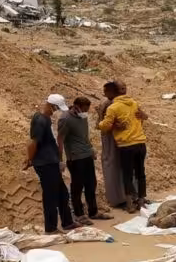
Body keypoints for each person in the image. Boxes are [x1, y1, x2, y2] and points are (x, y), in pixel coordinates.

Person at [25, 94, 77, 234]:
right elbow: (33, 143)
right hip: (45, 163)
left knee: (62, 193)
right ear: (51, 105)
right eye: (55, 108)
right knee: (50, 196)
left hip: (51, 161)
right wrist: (29, 159)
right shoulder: (40, 120)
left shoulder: (45, 119)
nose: (56, 111)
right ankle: (51, 228)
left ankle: (67, 222)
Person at [58, 96, 112, 226]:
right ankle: (79, 214)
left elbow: (85, 135)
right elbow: (60, 140)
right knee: (77, 187)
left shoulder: (83, 117)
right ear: (76, 106)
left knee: (91, 184)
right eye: (84, 109)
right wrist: (60, 159)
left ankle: (93, 212)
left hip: (87, 155)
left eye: (87, 110)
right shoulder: (65, 119)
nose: (85, 112)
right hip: (75, 158)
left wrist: (91, 148)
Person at [99, 82, 148, 213]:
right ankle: (141, 200)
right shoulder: (133, 103)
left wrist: (102, 124)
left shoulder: (112, 107)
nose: (124, 90)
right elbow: (142, 118)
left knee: (127, 175)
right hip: (139, 142)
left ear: (111, 92)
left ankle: (130, 203)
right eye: (122, 88)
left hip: (125, 144)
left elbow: (104, 126)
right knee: (140, 173)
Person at [97, 82, 127, 210]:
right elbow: (99, 124)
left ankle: (126, 196)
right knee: (112, 167)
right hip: (110, 140)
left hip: (123, 140)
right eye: (121, 89)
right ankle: (116, 199)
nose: (123, 91)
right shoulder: (106, 105)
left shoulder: (123, 103)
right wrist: (114, 126)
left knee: (124, 167)